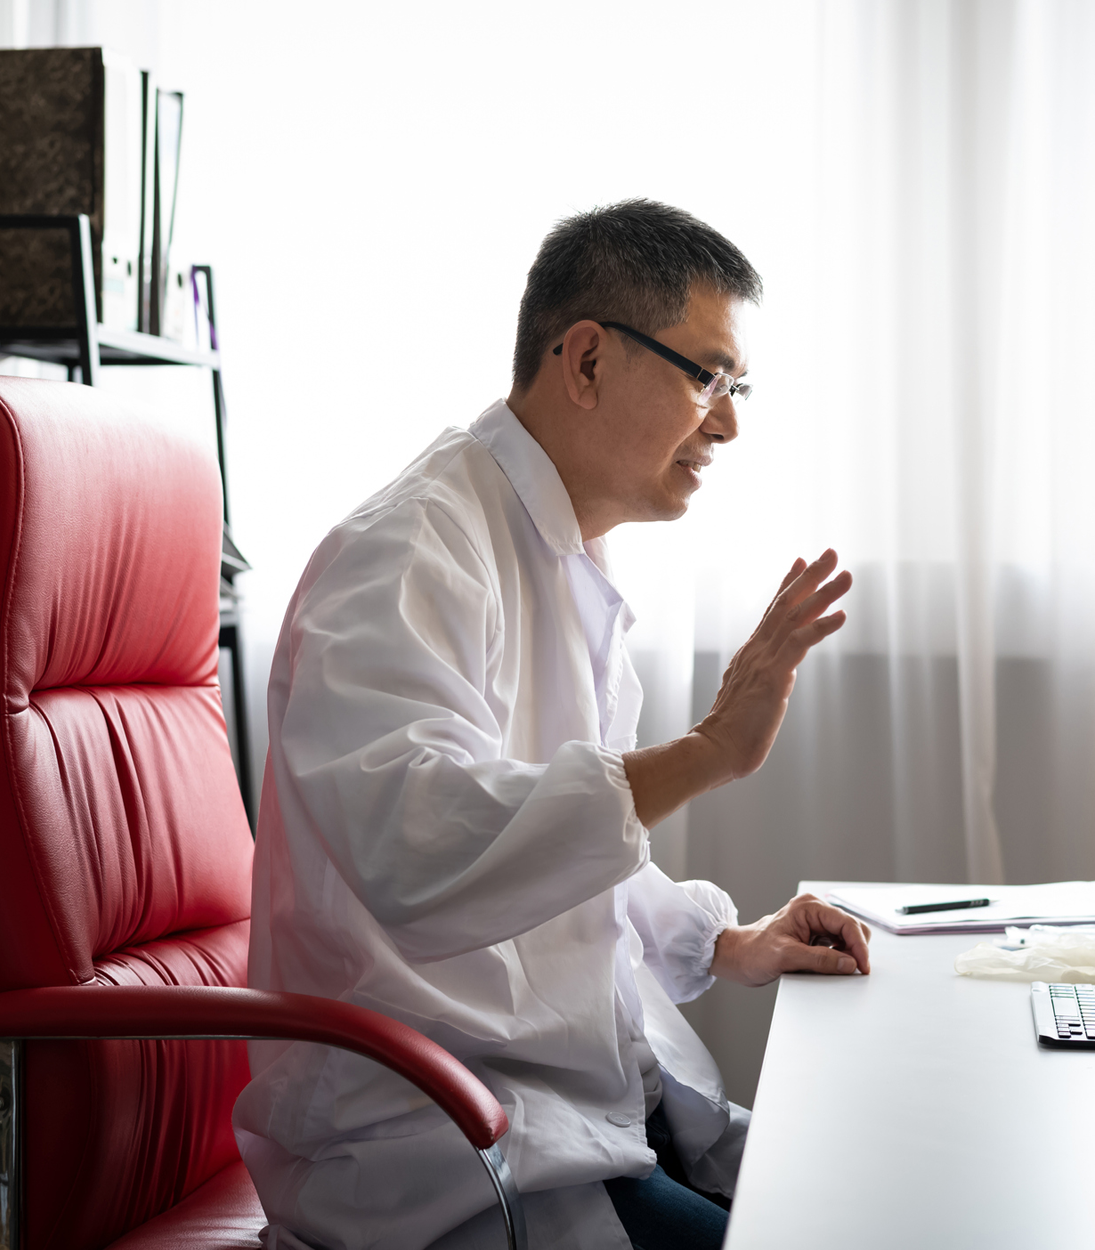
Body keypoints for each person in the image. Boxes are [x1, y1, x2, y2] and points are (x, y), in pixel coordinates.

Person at [234, 200, 871, 1250]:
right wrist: (707, 753)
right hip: (446, 1146)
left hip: (559, 1111)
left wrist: (725, 939)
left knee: (869, 1197)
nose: (729, 421)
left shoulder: (557, 548)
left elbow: (564, 863)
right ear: (585, 361)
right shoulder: (407, 550)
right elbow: (423, 845)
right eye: (707, 377)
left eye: (738, 387)